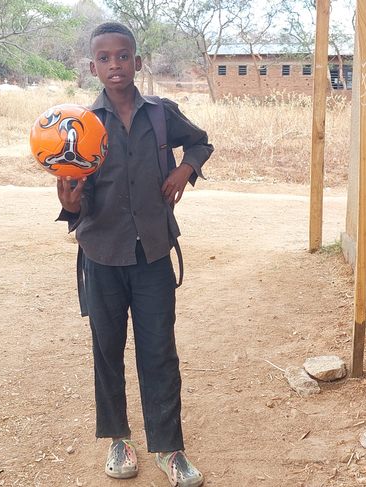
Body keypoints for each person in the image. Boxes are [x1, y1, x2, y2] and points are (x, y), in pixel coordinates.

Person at [55, 21, 213, 487]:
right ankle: (118, 439)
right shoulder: (81, 125)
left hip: (153, 252)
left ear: (138, 62)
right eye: (104, 58)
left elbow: (201, 142)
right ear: (92, 67)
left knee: (159, 350)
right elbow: (75, 195)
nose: (115, 65)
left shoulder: (161, 114)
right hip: (102, 253)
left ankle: (168, 448)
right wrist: (70, 204)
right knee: (107, 350)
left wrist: (184, 170)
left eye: (123, 56)